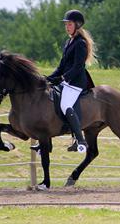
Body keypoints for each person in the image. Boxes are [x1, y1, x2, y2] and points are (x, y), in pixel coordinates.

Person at [47, 9, 97, 153]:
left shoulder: (80, 43)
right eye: (66, 24)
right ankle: (44, 140)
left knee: (65, 104)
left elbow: (77, 67)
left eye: (69, 24)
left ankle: (80, 140)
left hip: (76, 83)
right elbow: (61, 66)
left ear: (77, 25)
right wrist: (48, 79)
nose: (67, 27)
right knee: (49, 98)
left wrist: (62, 78)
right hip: (67, 81)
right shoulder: (69, 42)